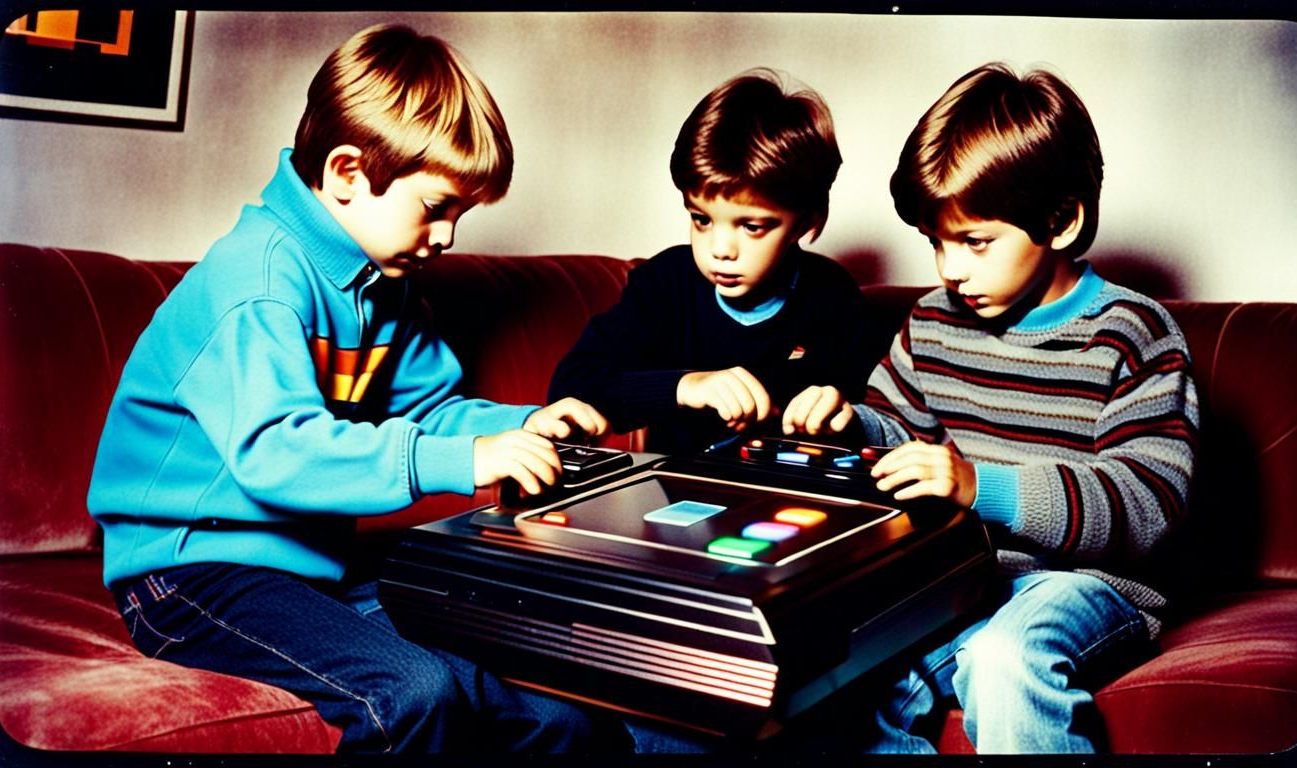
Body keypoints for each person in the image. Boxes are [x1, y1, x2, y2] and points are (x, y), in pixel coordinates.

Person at [86, 24, 627, 755]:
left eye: (461, 216)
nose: (448, 238)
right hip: (190, 569)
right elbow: (278, 454)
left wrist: (528, 427)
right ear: (347, 173)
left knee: (553, 708)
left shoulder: (385, 282)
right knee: (411, 692)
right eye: (437, 208)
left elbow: (430, 408)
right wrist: (465, 462)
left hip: (310, 563)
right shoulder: (257, 281)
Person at [784, 63, 1200, 753]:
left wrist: (982, 486)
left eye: (975, 242)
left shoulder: (1134, 332)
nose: (950, 268)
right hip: (961, 583)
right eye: (936, 242)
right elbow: (899, 434)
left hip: (1088, 590)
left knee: (1003, 660)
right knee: (848, 671)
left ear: (1061, 221)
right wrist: (851, 424)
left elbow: (1148, 504)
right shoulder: (933, 323)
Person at [547, 68, 878, 455]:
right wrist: (686, 387)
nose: (721, 249)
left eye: (752, 227)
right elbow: (571, 389)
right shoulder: (664, 285)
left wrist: (840, 415)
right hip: (681, 501)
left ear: (805, 222)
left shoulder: (832, 296)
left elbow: (875, 417)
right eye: (702, 219)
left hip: (802, 499)